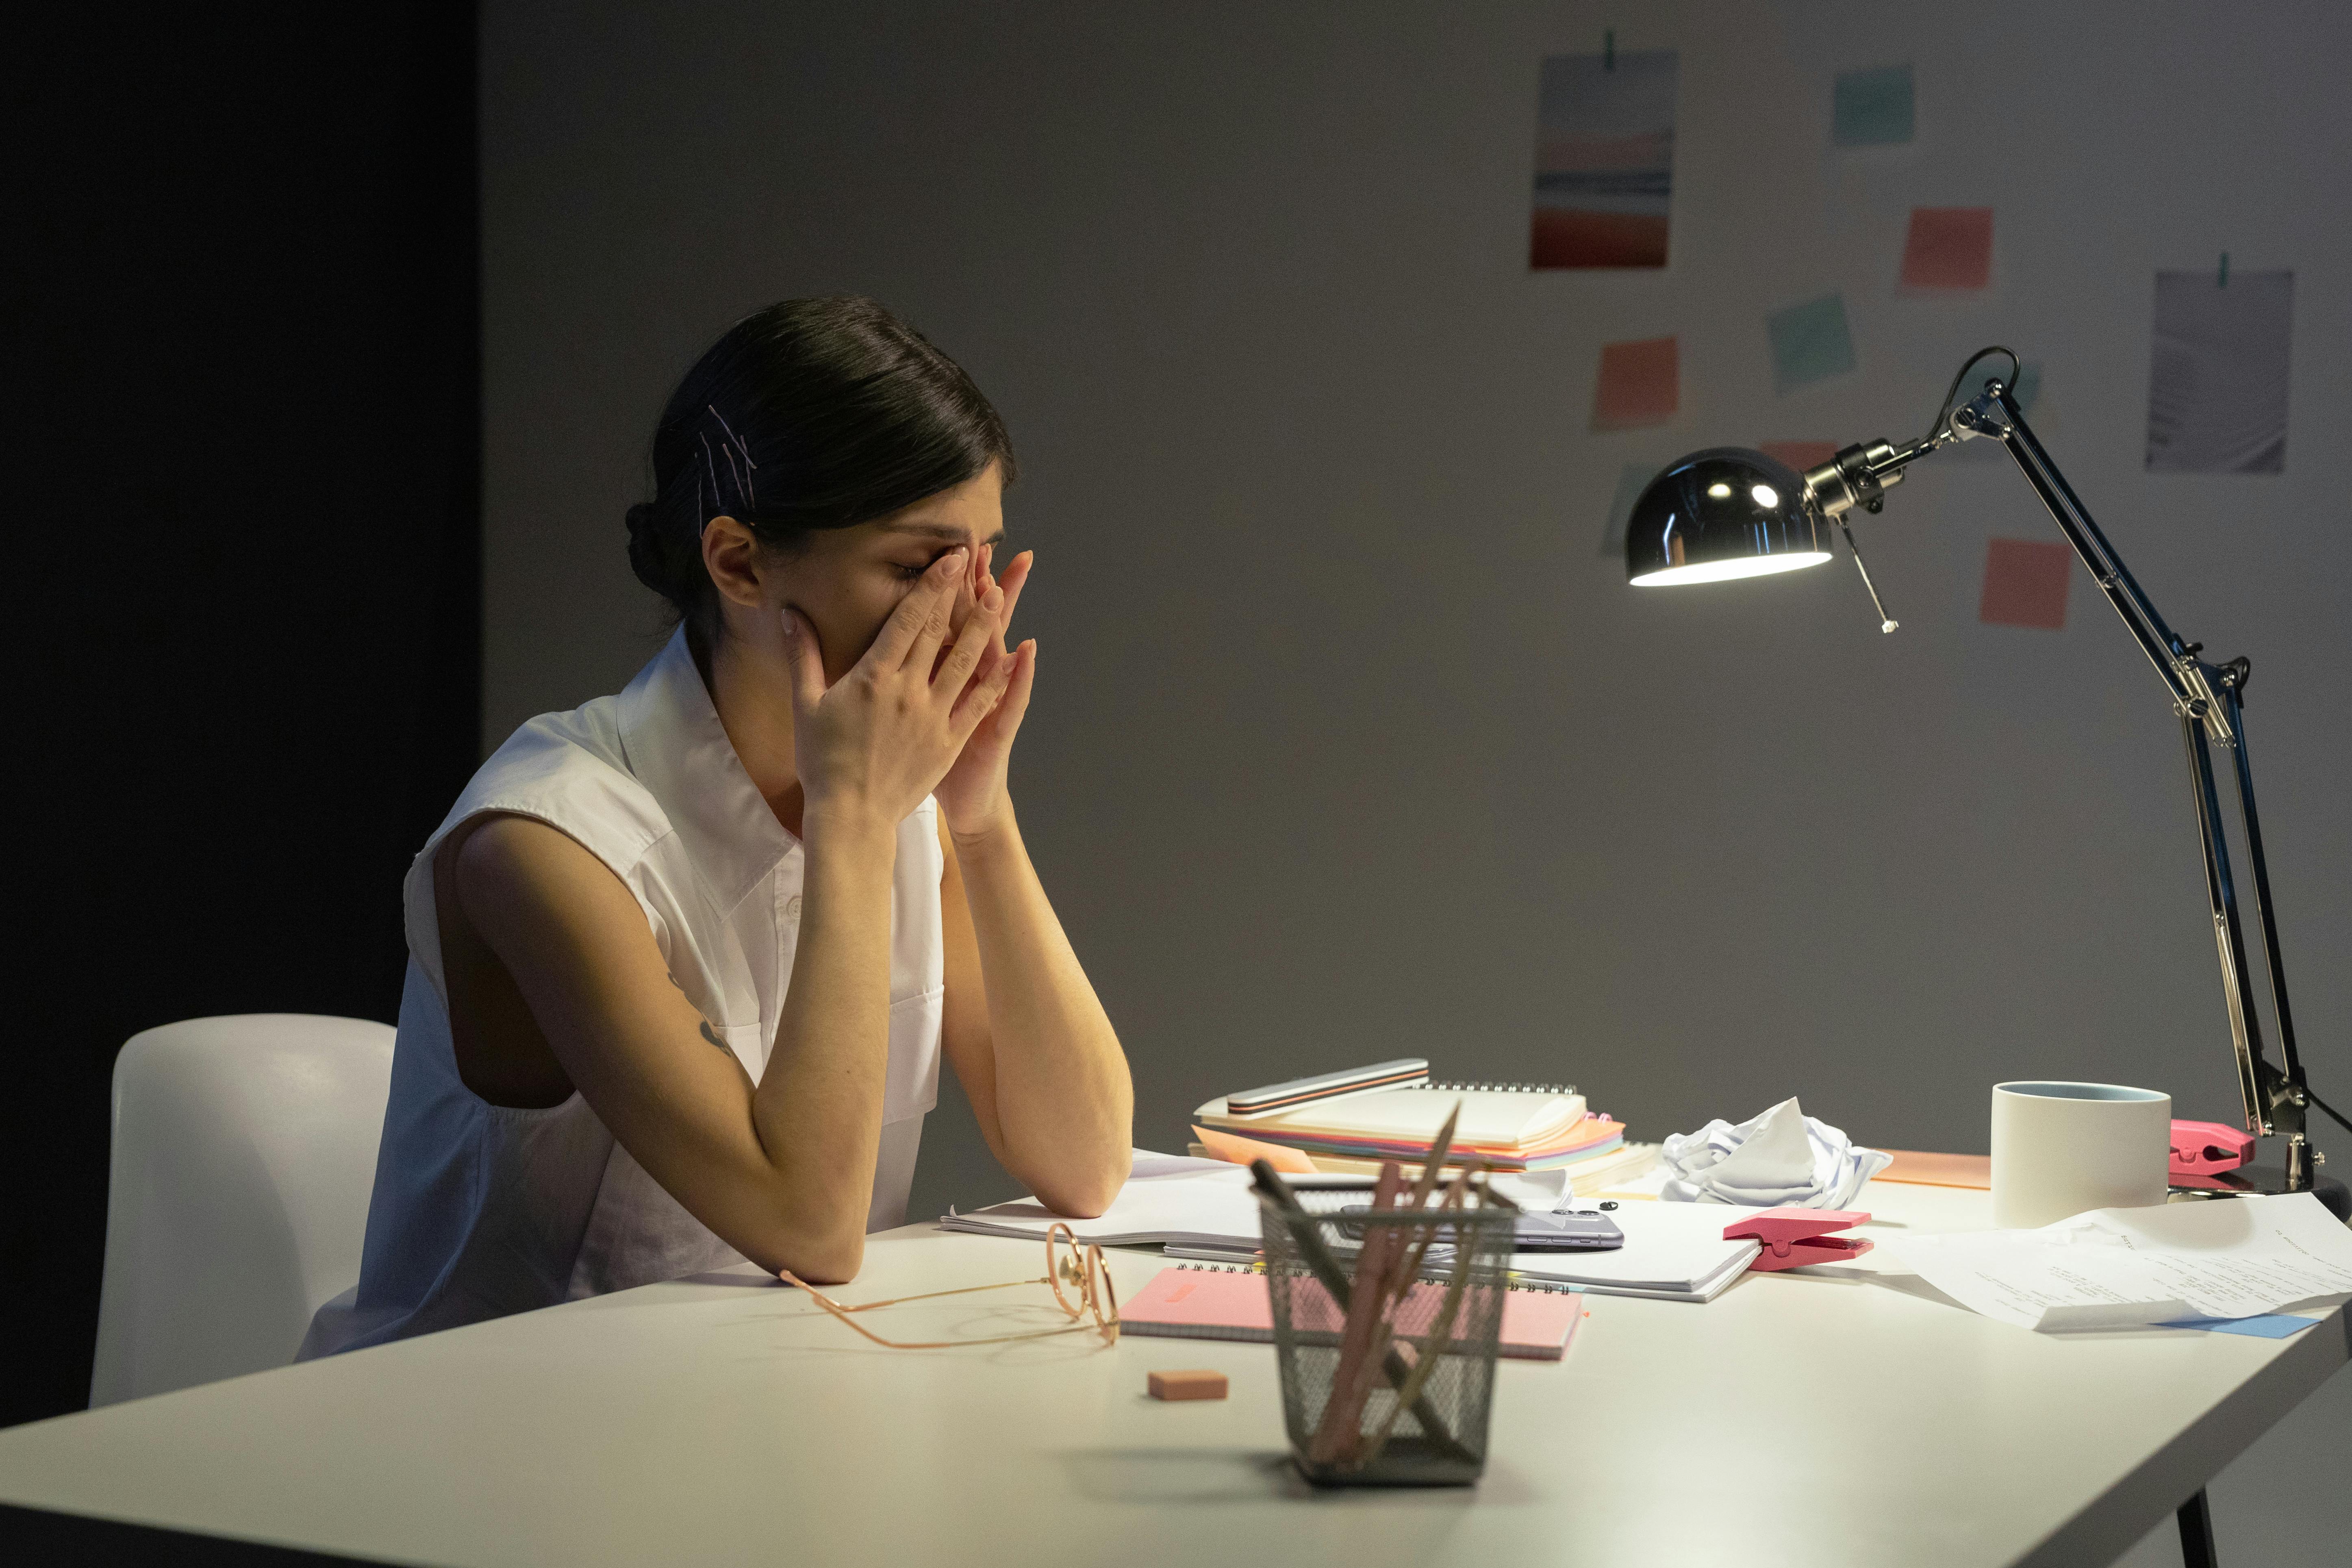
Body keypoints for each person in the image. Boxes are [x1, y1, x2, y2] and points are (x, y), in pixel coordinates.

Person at [300, 297, 1133, 1357]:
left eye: (984, 563)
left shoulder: (900, 806)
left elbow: (1086, 1157)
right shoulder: (544, 838)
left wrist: (980, 812)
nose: (966, 614)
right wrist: (853, 820)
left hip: (747, 1415)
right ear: (738, 564)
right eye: (917, 566)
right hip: (479, 1450)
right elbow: (810, 1227)